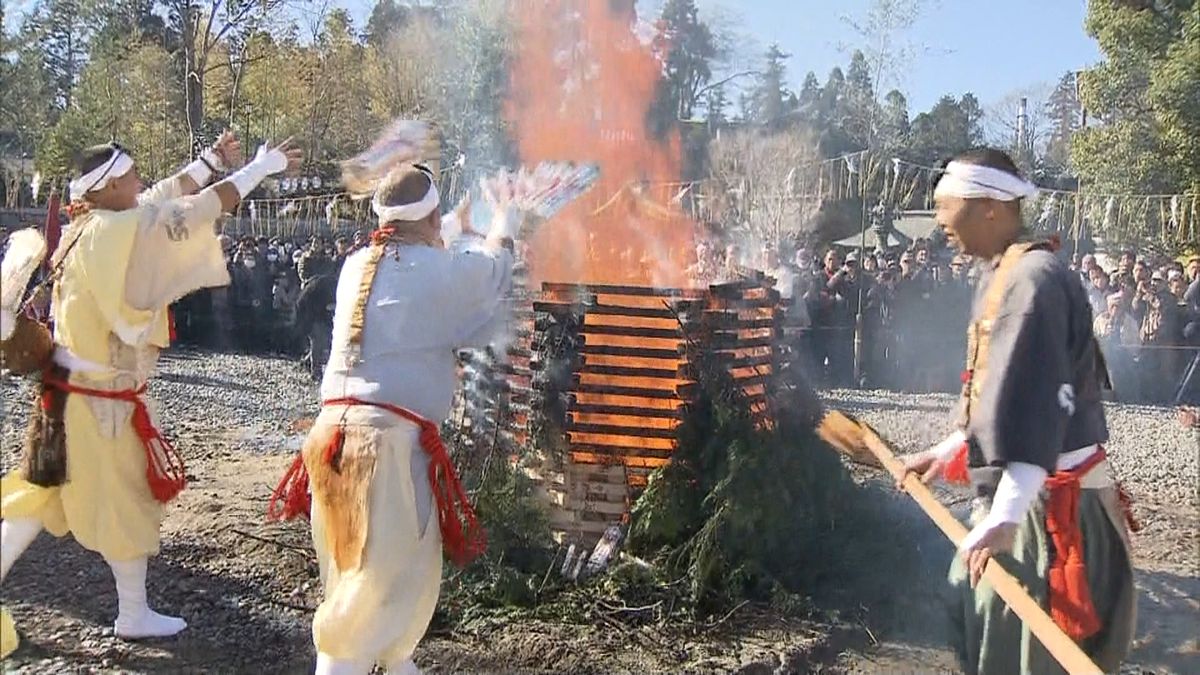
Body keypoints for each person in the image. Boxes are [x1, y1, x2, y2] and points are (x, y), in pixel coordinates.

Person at [0, 133, 301, 657]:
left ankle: (133, 610)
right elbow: (196, 208)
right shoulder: (121, 229)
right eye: (131, 175)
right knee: (125, 501)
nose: (140, 182)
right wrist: (259, 169)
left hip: (69, 390)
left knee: (40, 490)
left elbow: (164, 194)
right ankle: (133, 612)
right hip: (99, 401)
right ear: (111, 185)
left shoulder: (87, 226)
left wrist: (210, 161)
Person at [270, 163, 518, 675]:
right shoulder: (434, 270)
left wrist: (449, 222)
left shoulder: (358, 263)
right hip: (384, 448)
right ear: (429, 218)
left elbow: (415, 252)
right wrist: (505, 218)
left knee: (358, 567)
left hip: (332, 438)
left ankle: (396, 663)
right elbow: (491, 272)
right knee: (377, 581)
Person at [901, 149, 1135, 674]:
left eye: (946, 205)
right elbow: (995, 392)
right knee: (973, 612)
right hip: (1024, 499)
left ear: (989, 207)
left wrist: (1005, 518)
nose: (938, 220)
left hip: (1046, 513)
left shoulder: (1034, 278)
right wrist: (946, 451)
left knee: (1020, 653)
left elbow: (1037, 404)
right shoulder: (1002, 271)